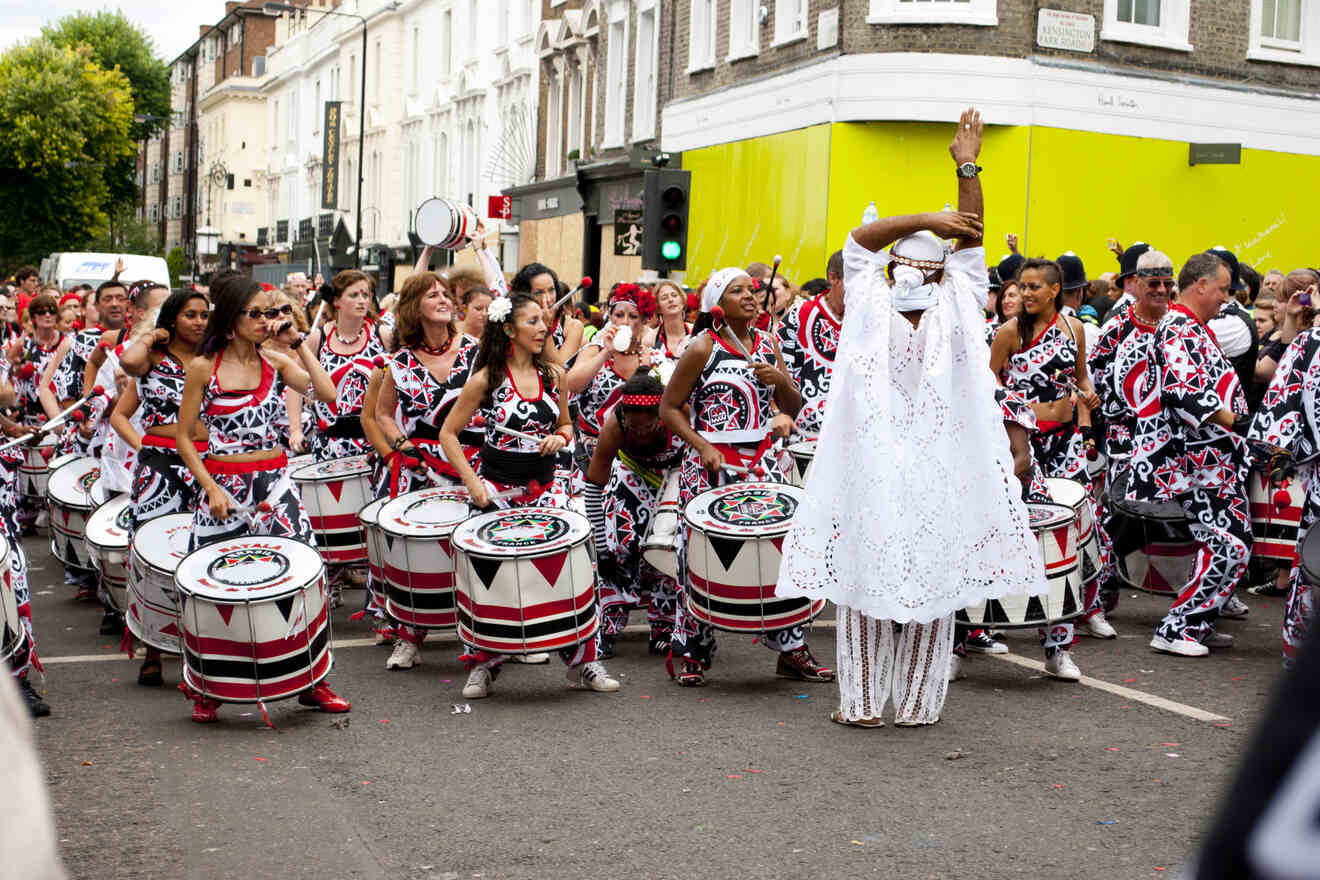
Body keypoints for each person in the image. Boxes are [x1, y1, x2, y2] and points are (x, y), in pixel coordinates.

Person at [778, 108, 1049, 726]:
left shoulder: (958, 298)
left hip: (938, 464)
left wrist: (967, 166)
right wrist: (930, 218)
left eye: (928, 267)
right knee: (867, 572)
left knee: (934, 572)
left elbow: (973, 234)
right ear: (890, 267)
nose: (915, 276)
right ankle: (865, 703)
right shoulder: (868, 294)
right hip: (870, 461)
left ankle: (919, 704)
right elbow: (857, 240)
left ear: (945, 274)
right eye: (906, 265)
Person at [173, 276, 349, 722]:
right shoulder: (203, 368)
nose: (266, 321)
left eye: (269, 314)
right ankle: (208, 688)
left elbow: (327, 396)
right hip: (223, 485)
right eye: (257, 314)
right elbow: (184, 437)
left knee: (306, 578)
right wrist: (209, 488)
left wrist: (298, 344)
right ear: (231, 320)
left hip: (274, 484)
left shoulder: (276, 362)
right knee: (211, 588)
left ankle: (313, 680)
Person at [439, 291, 620, 698]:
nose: (543, 328)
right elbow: (448, 434)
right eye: (534, 321)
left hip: (546, 488)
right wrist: (475, 486)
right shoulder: (486, 379)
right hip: (497, 492)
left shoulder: (553, 376)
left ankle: (583, 661)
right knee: (486, 578)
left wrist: (559, 438)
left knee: (575, 569)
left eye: (544, 321)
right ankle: (483, 663)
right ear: (509, 330)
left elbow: (566, 426)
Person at [658, 267, 832, 688]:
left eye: (752, 290)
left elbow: (793, 402)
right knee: (700, 556)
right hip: (711, 464)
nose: (750, 296)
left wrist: (780, 380)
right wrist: (703, 446)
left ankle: (790, 648)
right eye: (737, 291)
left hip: (761, 463)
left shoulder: (768, 343)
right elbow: (669, 408)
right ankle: (694, 651)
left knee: (774, 555)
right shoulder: (702, 347)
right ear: (719, 304)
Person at [1128, 253, 1251, 657]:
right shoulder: (1179, 328)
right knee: (1227, 544)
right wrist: (1237, 422)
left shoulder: (1190, 328)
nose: (1226, 298)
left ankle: (1196, 621)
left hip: (1213, 458)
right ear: (1200, 285)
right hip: (1201, 460)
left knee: (1229, 542)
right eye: (1222, 289)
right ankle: (1178, 626)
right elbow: (1185, 392)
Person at [990, 257, 1113, 662]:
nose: (1025, 294)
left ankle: (1063, 639)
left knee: (1072, 532)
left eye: (1033, 287)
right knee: (1006, 529)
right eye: (1022, 287)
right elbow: (987, 386)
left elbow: (1080, 378)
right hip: (1021, 444)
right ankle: (973, 630)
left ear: (1054, 291)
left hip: (1065, 443)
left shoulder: (1073, 328)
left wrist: (1087, 398)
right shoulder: (1008, 333)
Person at [372, 272, 483, 670]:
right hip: (420, 467)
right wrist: (402, 446)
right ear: (413, 306)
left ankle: (485, 639)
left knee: (473, 550)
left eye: (445, 294)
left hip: (472, 462)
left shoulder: (477, 351)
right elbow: (383, 415)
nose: (442, 299)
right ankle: (408, 636)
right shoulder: (398, 363)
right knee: (413, 558)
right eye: (431, 294)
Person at [113, 289, 211, 687]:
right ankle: (152, 648)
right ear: (172, 319)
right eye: (190, 314)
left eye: (205, 315)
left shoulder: (213, 361)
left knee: (202, 553)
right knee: (154, 554)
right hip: (161, 467)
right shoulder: (151, 360)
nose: (200, 322)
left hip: (207, 464)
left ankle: (201, 646)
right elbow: (122, 406)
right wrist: (153, 335)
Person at [1088, 249, 1175, 616]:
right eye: (1152, 283)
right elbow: (1094, 380)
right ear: (1135, 283)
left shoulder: (1182, 323)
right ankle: (1102, 593)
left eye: (1167, 284)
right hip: (1125, 439)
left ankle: (1203, 599)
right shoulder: (1115, 328)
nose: (1160, 290)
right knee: (1120, 518)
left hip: (1173, 439)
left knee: (1193, 516)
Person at [583, 372, 682, 658]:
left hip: (674, 473)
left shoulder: (680, 413)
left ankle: (663, 629)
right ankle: (607, 628)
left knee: (668, 547)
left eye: (647, 426)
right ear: (623, 415)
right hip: (631, 472)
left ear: (661, 416)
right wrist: (601, 550)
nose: (638, 432)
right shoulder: (615, 428)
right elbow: (593, 489)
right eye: (632, 425)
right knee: (621, 545)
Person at [1249, 282, 1320, 665]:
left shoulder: (1316, 341)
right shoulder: (1310, 341)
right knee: (1312, 567)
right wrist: (1294, 319)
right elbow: (1288, 362)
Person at [564, 284, 662, 465]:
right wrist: (605, 353)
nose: (625, 322)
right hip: (591, 454)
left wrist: (647, 371)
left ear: (643, 321)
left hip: (635, 458)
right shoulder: (595, 350)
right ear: (610, 317)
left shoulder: (655, 358)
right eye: (619, 315)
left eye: (633, 316)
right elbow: (572, 384)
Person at [776, 248, 844, 439]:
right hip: (802, 437)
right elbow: (780, 375)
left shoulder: (872, 319)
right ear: (833, 278)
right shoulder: (799, 315)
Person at [511, 262, 583, 365]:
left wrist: (546, 327)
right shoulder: (517, 323)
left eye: (551, 290)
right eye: (538, 293)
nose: (548, 299)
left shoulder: (572, 326)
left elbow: (560, 369)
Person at [649, 279, 691, 359]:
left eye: (674, 295)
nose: (671, 300)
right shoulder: (650, 339)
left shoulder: (697, 332)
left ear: (682, 300)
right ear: (658, 307)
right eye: (664, 298)